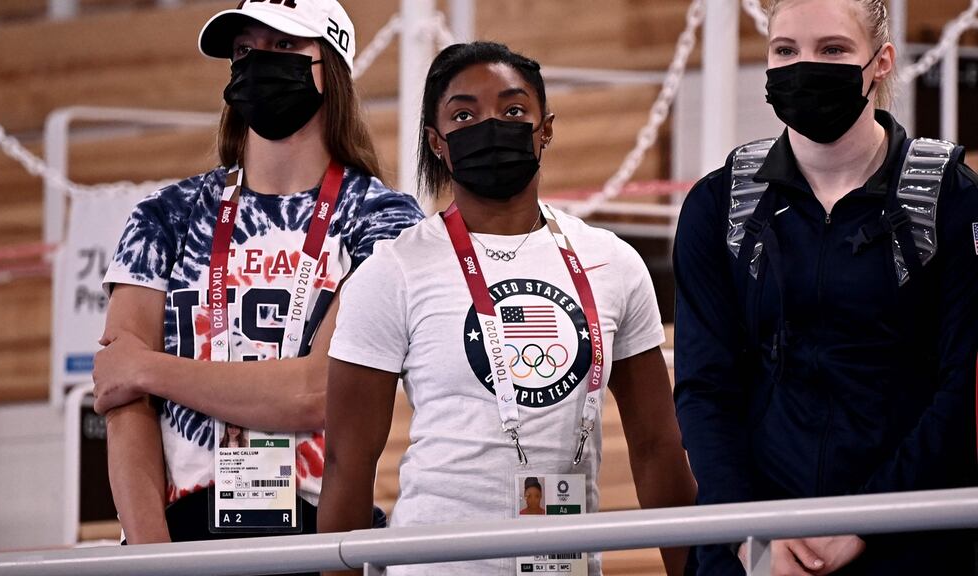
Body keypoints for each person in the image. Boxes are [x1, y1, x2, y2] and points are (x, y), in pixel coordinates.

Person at [317, 41, 696, 576]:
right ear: (437, 142)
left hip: (566, 565)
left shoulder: (613, 262)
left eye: (513, 110)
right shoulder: (392, 270)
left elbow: (658, 446)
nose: (490, 125)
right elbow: (347, 468)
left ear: (546, 129)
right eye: (464, 114)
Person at [92, 0, 424, 559]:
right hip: (179, 535)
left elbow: (321, 392)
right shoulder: (164, 215)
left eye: (285, 47)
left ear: (331, 68)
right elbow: (122, 402)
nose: (258, 62)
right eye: (244, 50)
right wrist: (151, 560)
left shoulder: (385, 219)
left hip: (322, 532)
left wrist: (148, 368)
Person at [673, 0, 978, 574]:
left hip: (913, 534)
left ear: (880, 61)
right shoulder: (718, 205)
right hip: (752, 540)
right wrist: (748, 534)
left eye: (833, 50)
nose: (804, 66)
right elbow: (703, 388)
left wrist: (866, 521)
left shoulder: (952, 201)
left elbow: (963, 391)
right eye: (785, 51)